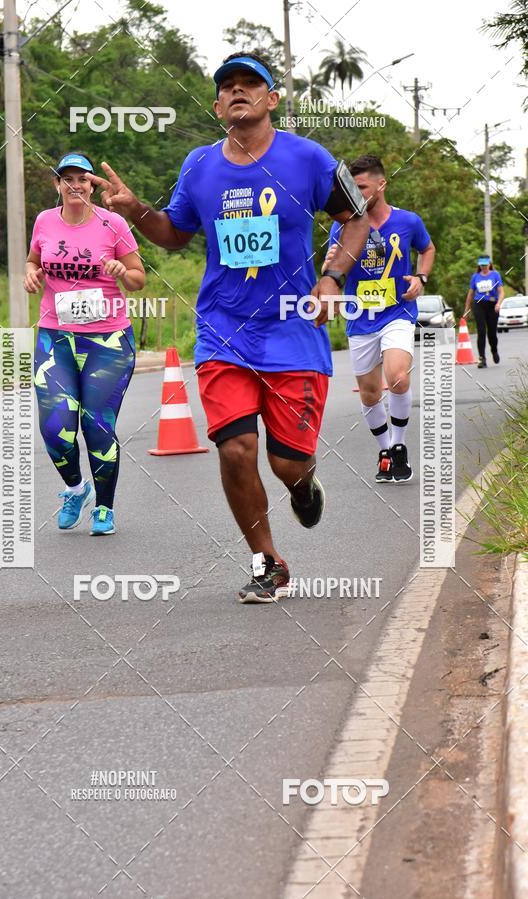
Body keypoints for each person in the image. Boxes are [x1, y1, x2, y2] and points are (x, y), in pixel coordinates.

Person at [89, 53, 369, 601]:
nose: (238, 90)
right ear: (218, 106)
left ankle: (303, 486)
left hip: (293, 329)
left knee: (287, 462)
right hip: (224, 330)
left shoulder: (308, 158)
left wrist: (333, 276)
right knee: (236, 448)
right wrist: (134, 208)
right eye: (228, 86)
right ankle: (268, 561)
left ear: (272, 99)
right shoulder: (199, 166)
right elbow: (174, 234)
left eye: (250, 83)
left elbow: (355, 217)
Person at [25, 152, 145, 535]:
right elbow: (33, 261)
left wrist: (122, 271)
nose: (75, 185)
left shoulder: (113, 223)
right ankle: (76, 489)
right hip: (55, 337)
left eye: (83, 179)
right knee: (55, 427)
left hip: (108, 341)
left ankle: (104, 508)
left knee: (97, 427)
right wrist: (31, 274)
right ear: (57, 184)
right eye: (68, 179)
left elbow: (138, 278)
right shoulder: (45, 221)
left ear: (92, 185)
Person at [325, 154, 435, 483]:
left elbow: (427, 249)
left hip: (397, 312)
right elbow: (333, 270)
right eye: (351, 187)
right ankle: (385, 450)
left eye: (361, 187)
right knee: (370, 393)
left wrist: (421, 278)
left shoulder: (408, 221)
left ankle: (399, 446)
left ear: (381, 184)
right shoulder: (343, 225)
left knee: (398, 377)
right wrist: (329, 266)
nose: (355, 194)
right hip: (360, 319)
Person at [463, 255, 504, 368]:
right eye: (481, 265)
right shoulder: (475, 276)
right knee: (481, 331)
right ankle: (482, 358)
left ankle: (494, 350)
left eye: (485, 265)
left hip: (492, 305)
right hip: (479, 304)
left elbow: (501, 292)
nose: (484, 267)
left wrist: (498, 303)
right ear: (479, 265)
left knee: (492, 333)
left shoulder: (495, 275)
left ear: (489, 264)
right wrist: (466, 310)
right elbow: (470, 294)